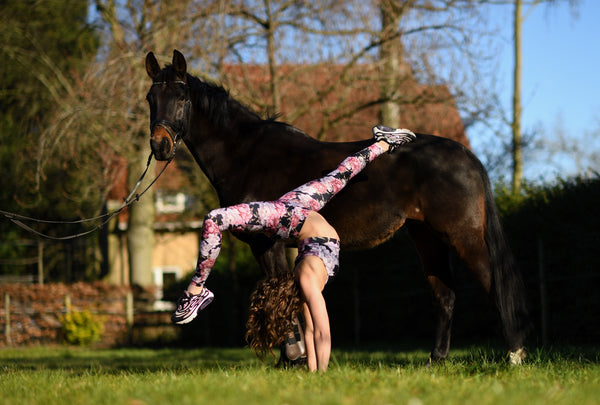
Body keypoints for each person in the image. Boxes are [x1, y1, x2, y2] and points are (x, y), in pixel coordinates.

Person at [172, 125, 416, 371]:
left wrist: (316, 373)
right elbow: (320, 332)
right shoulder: (306, 281)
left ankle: (197, 290)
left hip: (292, 217)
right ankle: (384, 144)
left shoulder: (305, 280)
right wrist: (320, 374)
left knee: (341, 175)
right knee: (340, 175)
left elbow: (314, 333)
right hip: (291, 215)